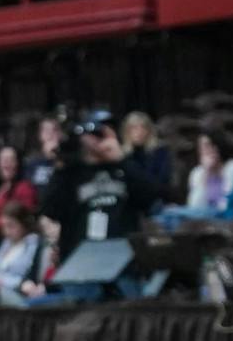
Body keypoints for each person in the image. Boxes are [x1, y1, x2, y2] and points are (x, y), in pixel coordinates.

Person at [40, 111, 163, 270]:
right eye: (96, 134)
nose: (100, 140)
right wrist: (61, 166)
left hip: (122, 261)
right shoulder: (71, 173)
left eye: (106, 134)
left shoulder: (126, 168)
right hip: (80, 261)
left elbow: (152, 200)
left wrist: (121, 160)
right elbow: (50, 210)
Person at [0, 205, 47, 308]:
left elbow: (24, 279)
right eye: (4, 226)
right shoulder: (6, 243)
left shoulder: (33, 242)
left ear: (23, 224)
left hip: (19, 294)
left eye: (11, 226)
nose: (7, 231)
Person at [0, 145, 38, 228]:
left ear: (18, 163)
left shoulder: (25, 188)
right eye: (3, 159)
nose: (7, 163)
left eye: (11, 159)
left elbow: (24, 218)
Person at [185, 132, 233, 215]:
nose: (204, 151)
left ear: (218, 147)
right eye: (201, 147)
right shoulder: (197, 173)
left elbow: (228, 204)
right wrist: (206, 172)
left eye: (207, 146)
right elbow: (193, 206)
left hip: (225, 217)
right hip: (204, 218)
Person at [123, 111, 172, 199]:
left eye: (143, 127)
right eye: (134, 128)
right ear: (127, 131)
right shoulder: (123, 155)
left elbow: (162, 183)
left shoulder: (160, 152)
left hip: (154, 199)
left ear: (149, 131)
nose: (139, 132)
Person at [24, 117, 63, 194]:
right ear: (40, 135)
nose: (50, 134)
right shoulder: (31, 163)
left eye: (54, 130)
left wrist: (56, 157)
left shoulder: (69, 161)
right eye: (46, 130)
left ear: (60, 134)